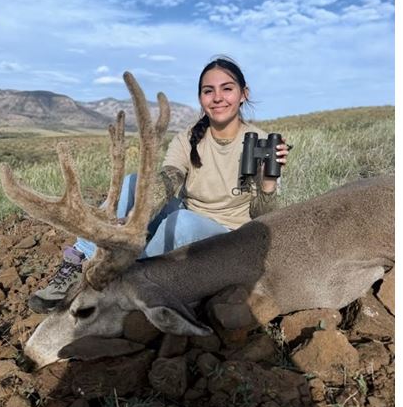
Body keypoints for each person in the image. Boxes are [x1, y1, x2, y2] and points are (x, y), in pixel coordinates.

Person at [28, 56, 291, 313]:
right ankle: (81, 260)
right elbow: (168, 177)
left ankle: (127, 281)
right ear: (200, 98)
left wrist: (268, 181)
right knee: (133, 183)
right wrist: (136, 217)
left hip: (229, 235)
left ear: (243, 94)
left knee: (182, 223)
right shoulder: (188, 138)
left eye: (227, 89)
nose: (217, 97)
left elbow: (263, 219)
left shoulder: (262, 142)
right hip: (188, 212)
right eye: (208, 91)